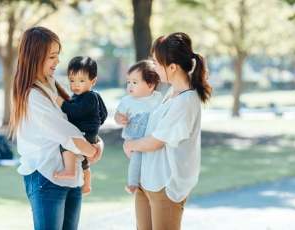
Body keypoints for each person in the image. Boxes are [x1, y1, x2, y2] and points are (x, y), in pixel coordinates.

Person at [11, 26, 104, 230]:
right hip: (47, 176)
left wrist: (98, 145)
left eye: (57, 54)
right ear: (36, 56)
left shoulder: (52, 85)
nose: (58, 61)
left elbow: (79, 124)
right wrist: (92, 151)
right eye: (52, 56)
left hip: (72, 178)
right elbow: (67, 134)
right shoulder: (31, 94)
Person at [121, 32, 208, 229]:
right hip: (146, 181)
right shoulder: (170, 93)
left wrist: (129, 144)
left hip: (165, 186)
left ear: (172, 67)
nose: (153, 66)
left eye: (157, 62)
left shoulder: (186, 101)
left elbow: (156, 141)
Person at [116, 60, 166, 207]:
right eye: (128, 81)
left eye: (135, 82)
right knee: (136, 160)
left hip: (150, 138)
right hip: (135, 139)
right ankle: (132, 183)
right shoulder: (127, 101)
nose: (130, 86)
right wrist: (121, 120)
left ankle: (151, 182)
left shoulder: (158, 97)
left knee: (152, 161)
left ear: (150, 85)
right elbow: (117, 115)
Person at [59, 56, 107, 196]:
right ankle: (86, 186)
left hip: (86, 133)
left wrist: (62, 104)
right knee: (85, 163)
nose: (76, 85)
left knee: (66, 144)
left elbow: (76, 111)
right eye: (72, 80)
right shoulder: (77, 96)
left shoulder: (90, 97)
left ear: (93, 81)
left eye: (81, 81)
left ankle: (69, 169)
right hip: (89, 133)